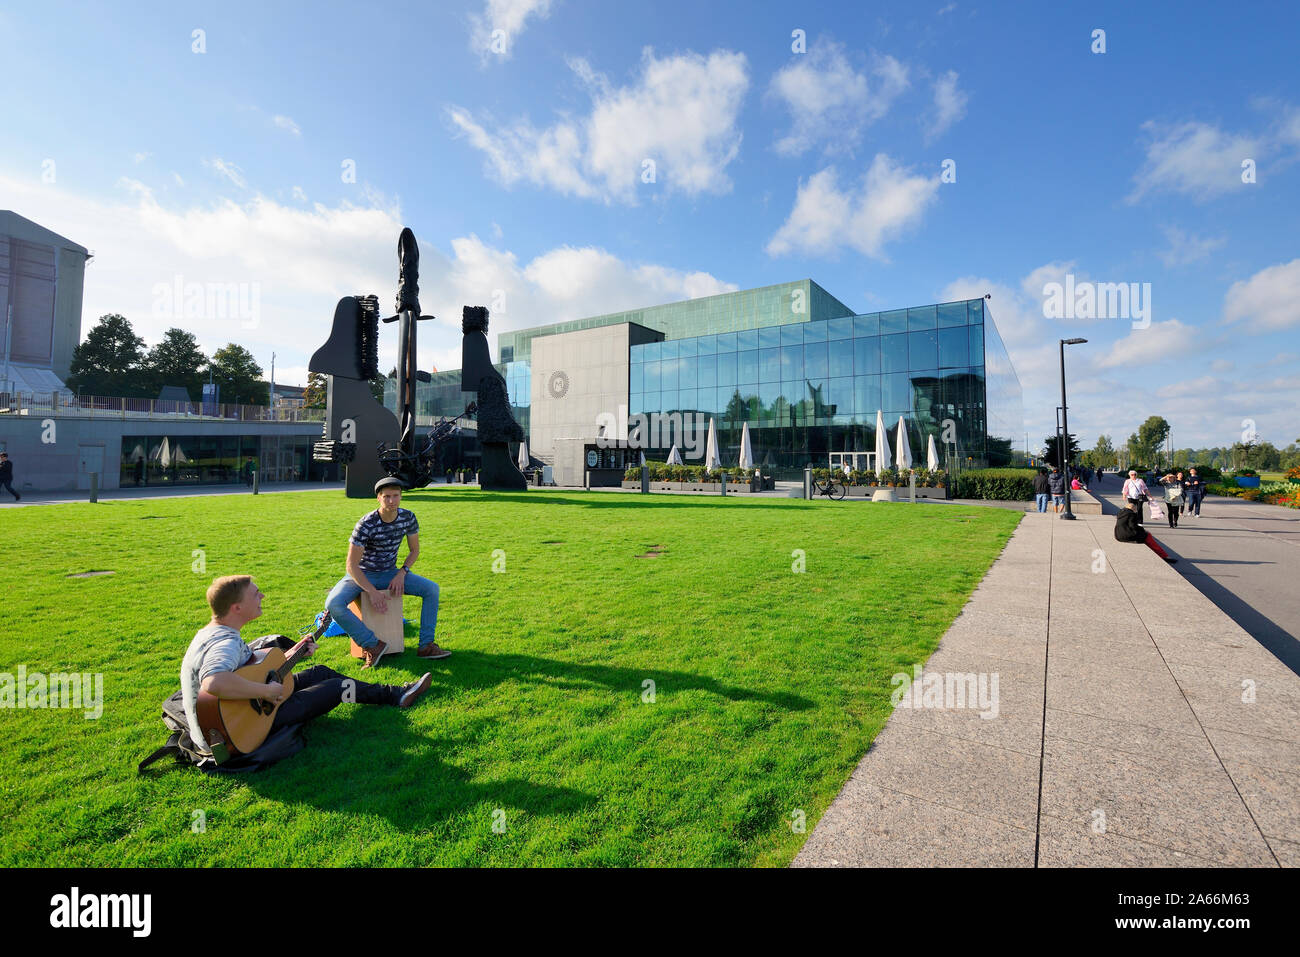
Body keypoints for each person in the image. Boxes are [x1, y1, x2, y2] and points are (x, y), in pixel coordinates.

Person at [181, 575, 431, 757]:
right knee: (336, 687)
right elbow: (213, 682)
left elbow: (248, 667)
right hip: (237, 732)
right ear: (237, 608)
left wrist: (293, 653)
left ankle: (395, 694)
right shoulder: (224, 643)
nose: (262, 596)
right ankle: (396, 696)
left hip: (231, 719)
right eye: (255, 594)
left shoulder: (213, 632)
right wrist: (266, 692)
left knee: (319, 672)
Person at [326, 476, 448, 667]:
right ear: (378, 498)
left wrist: (402, 573)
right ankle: (372, 645)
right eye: (386, 497)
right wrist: (371, 592)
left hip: (390, 573)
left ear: (401, 496)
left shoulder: (408, 517)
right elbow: (351, 565)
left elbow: (414, 550)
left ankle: (426, 646)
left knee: (431, 589)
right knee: (333, 603)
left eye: (396, 496)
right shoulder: (366, 523)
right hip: (361, 575)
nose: (391, 501)